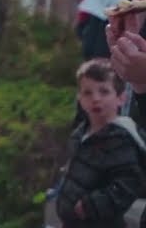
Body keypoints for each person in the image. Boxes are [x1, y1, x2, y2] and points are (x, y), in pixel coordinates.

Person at [51, 58, 145, 228]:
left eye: (104, 91)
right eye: (88, 92)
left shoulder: (120, 139)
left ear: (121, 98)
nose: (96, 99)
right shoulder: (80, 133)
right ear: (80, 98)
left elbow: (128, 183)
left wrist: (90, 206)